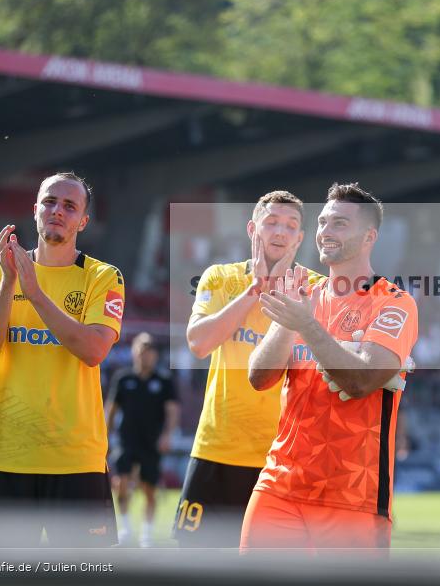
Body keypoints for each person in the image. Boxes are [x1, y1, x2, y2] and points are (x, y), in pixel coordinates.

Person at [243, 183, 418, 553]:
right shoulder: (305, 294)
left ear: (369, 236)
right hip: (279, 484)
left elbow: (360, 381)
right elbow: (259, 377)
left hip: (352, 493)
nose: (324, 232)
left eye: (339, 223)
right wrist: (292, 321)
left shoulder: (395, 302)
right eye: (322, 222)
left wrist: (306, 325)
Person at [0, 172, 124, 547]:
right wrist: (10, 282)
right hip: (7, 455)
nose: (58, 211)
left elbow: (93, 350)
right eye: (50, 201)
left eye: (70, 206)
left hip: (76, 460)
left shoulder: (103, 276)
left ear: (83, 221)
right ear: (35, 209)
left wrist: (34, 292)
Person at [173, 190, 308, 547]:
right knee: (196, 562)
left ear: (300, 238)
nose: (280, 232)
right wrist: (255, 289)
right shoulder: (220, 277)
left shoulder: (315, 288)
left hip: (282, 459)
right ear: (253, 229)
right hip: (217, 449)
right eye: (272, 222)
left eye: (291, 226)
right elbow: (199, 343)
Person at [106, 332, 179, 547]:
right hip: (126, 441)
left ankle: (146, 532)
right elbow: (111, 409)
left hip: (151, 442)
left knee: (149, 489)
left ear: (155, 354)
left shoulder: (164, 381)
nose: (144, 354)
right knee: (120, 483)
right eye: (140, 349)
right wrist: (105, 436)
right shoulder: (123, 378)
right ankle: (126, 527)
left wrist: (167, 435)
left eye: (149, 350)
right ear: (133, 352)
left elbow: (172, 411)